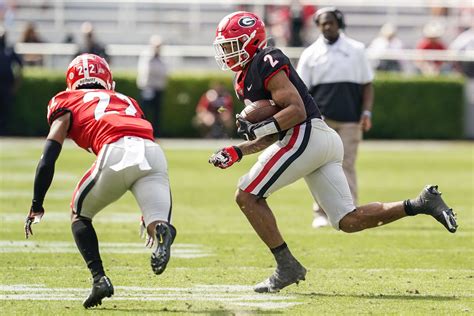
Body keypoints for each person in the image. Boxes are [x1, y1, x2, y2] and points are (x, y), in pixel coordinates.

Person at [208, 11, 457, 294]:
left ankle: (286, 266)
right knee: (347, 220)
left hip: (306, 134)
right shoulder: (243, 79)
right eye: (225, 46)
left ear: (252, 41)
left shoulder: (267, 60)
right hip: (318, 138)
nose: (228, 52)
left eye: (233, 44)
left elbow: (295, 111)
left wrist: (260, 126)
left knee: (247, 195)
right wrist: (238, 151)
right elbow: (273, 133)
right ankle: (420, 203)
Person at [23, 53, 176, 309]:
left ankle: (99, 279)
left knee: (79, 214)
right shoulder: (127, 100)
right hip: (153, 153)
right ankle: (161, 229)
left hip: (115, 150)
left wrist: (37, 202)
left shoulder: (66, 101)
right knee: (156, 221)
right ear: (107, 78)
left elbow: (48, 157)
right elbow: (140, 137)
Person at [296, 7, 374, 228]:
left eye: (331, 22)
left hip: (351, 119)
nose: (327, 26)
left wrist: (366, 112)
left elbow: (367, 84)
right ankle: (320, 212)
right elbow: (302, 90)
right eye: (323, 23)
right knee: (318, 165)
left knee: (347, 164)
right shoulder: (310, 54)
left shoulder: (356, 50)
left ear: (339, 23)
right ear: (318, 26)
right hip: (321, 121)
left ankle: (352, 210)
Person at [136, 35, 168, 137]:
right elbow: (148, 71)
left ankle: (155, 134)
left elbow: (164, 72)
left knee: (156, 114)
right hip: (147, 88)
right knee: (144, 112)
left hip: (158, 89)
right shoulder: (147, 56)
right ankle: (142, 132)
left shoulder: (161, 58)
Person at [0, 25, 23, 135]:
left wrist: (16, 84)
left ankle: (4, 131)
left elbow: (19, 66)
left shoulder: (9, 50)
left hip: (6, 85)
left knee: (6, 110)